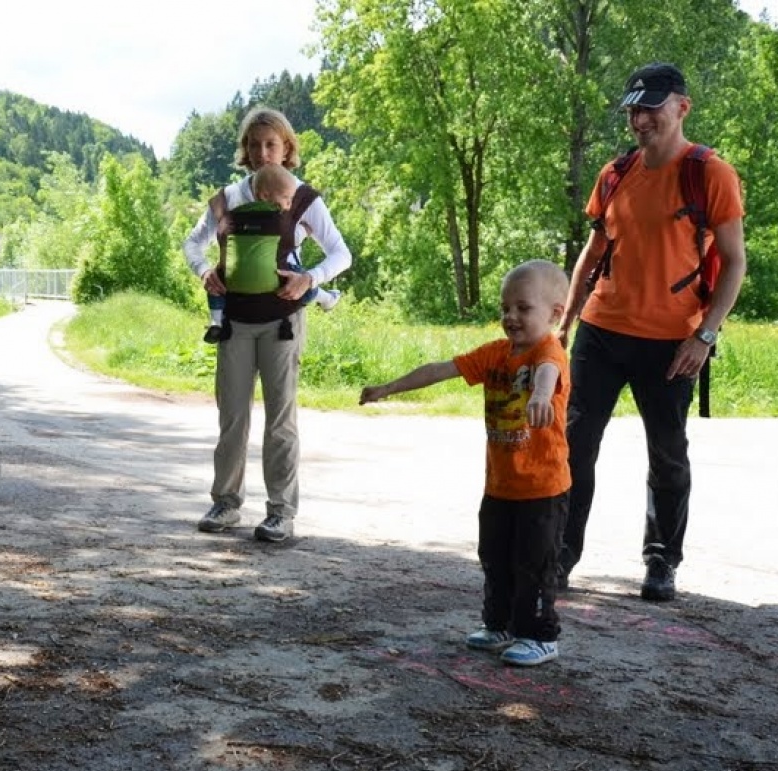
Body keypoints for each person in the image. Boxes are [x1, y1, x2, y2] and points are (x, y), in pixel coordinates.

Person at [557, 62, 747, 602]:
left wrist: (704, 335)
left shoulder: (709, 173)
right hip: (602, 330)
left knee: (666, 453)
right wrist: (566, 320)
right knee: (573, 448)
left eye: (652, 108)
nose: (641, 120)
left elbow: (733, 263)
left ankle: (661, 561)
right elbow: (592, 254)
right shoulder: (615, 174)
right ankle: (560, 556)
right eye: (634, 110)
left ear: (681, 107)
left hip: (673, 342)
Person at [360, 261, 572, 666]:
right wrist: (389, 388)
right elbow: (442, 370)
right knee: (494, 556)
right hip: (500, 486)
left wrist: (541, 397)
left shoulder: (549, 352)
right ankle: (500, 624)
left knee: (534, 565)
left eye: (523, 308)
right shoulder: (495, 354)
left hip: (543, 490)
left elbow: (547, 374)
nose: (511, 316)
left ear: (555, 314)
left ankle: (540, 636)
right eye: (505, 308)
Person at [183, 107, 352, 543]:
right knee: (232, 417)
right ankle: (225, 503)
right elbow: (193, 244)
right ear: (245, 150)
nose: (263, 153)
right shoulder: (226, 199)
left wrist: (309, 279)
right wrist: (204, 271)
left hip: (282, 322)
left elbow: (340, 253)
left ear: (287, 148)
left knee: (280, 421)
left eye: (271, 144)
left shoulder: (302, 198)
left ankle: (280, 512)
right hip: (235, 322)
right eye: (255, 145)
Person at [201, 163, 340, 343]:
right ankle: (325, 297)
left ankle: (215, 321)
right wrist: (306, 230)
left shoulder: (234, 215)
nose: (289, 205)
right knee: (301, 279)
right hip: (271, 280)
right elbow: (294, 238)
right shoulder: (280, 222)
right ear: (266, 196)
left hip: (233, 283)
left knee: (215, 280)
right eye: (287, 198)